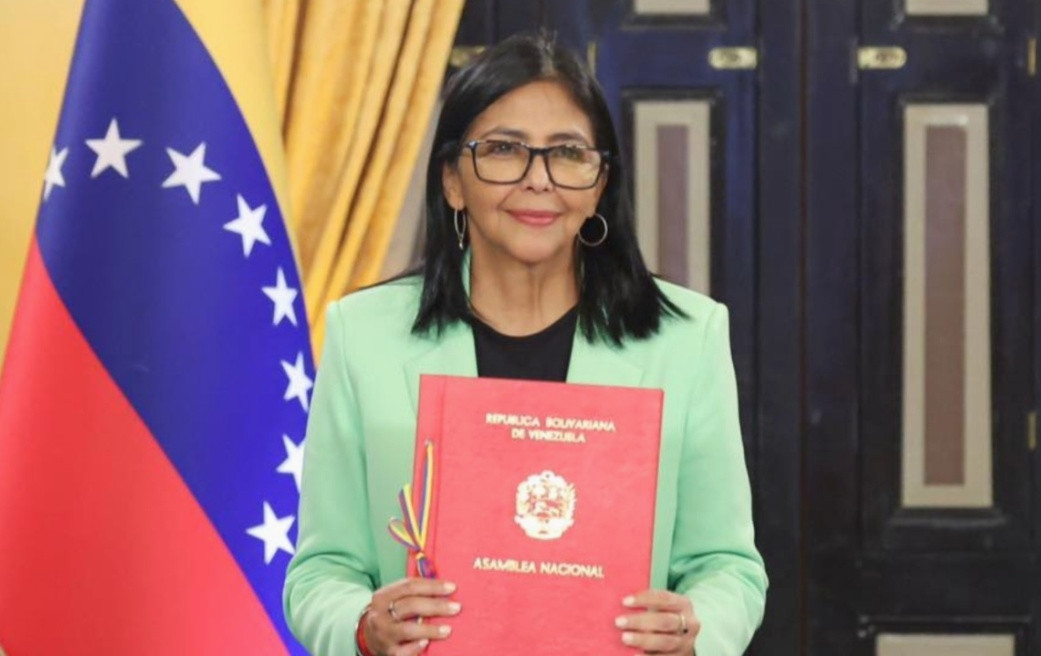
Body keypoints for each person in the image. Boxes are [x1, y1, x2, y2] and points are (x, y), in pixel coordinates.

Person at [283, 32, 767, 656]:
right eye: (504, 149)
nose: (539, 180)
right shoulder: (364, 334)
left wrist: (693, 633)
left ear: (599, 182)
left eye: (567, 153)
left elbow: (728, 567)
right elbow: (321, 571)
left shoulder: (687, 338)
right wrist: (362, 626)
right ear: (452, 181)